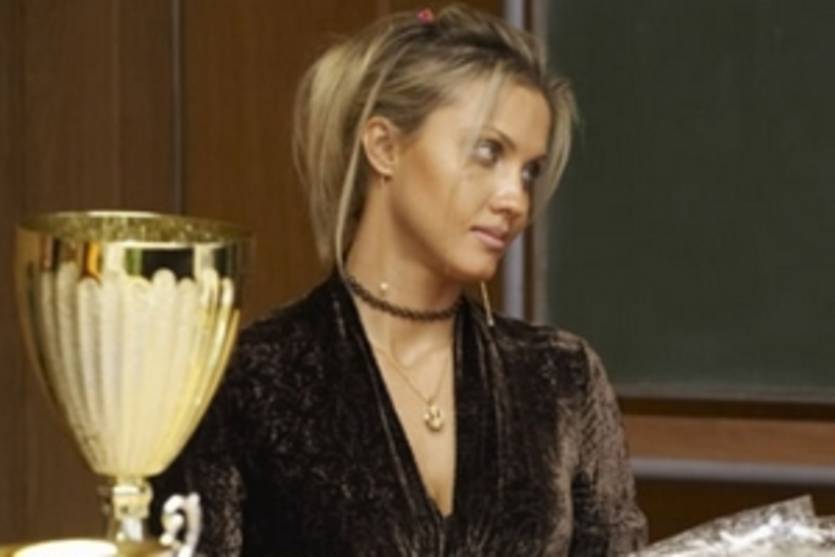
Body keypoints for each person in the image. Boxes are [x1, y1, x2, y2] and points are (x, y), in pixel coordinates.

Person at [153, 5, 647, 555]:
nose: (516, 200)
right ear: (384, 147)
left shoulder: (561, 379)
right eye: (488, 152)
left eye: (529, 171)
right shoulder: (251, 381)